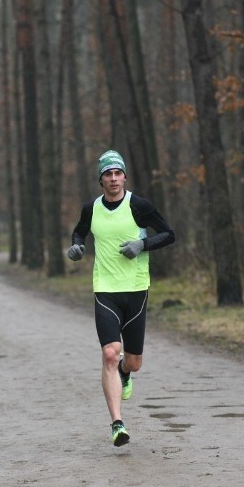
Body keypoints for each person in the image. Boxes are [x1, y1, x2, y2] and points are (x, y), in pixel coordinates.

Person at [68, 150, 175, 447]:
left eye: (118, 173)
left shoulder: (139, 206)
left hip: (136, 288)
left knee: (133, 361)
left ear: (125, 177)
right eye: (107, 174)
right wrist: (76, 247)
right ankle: (117, 423)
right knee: (110, 353)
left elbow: (169, 234)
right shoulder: (91, 209)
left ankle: (126, 374)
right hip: (105, 289)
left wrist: (142, 244)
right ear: (100, 180)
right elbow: (79, 233)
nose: (113, 179)